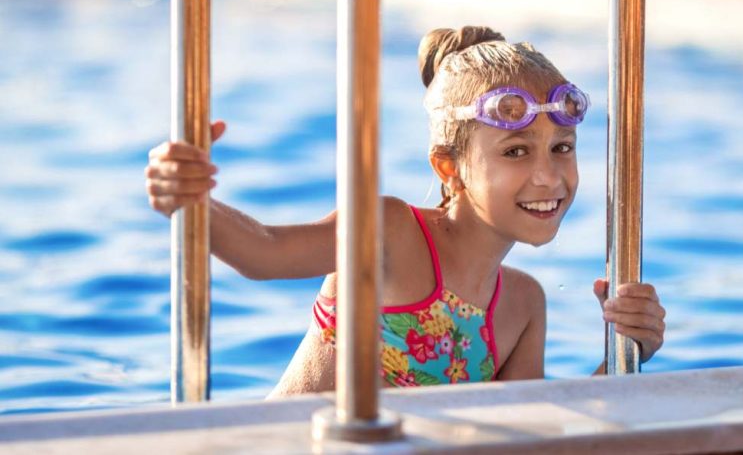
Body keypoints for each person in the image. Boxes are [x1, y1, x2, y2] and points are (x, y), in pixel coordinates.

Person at [145, 26, 666, 394]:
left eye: (562, 148)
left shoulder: (523, 305)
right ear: (449, 168)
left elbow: (527, 441)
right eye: (515, 151)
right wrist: (191, 199)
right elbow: (264, 254)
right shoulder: (390, 234)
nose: (549, 176)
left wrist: (625, 356)